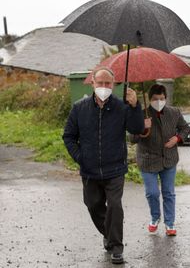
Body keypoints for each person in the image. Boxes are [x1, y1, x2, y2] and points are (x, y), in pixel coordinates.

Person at [63, 67, 144, 264]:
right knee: (93, 205)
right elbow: (69, 136)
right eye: (100, 83)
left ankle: (117, 246)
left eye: (108, 83)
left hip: (115, 168)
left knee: (115, 206)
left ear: (114, 85)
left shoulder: (122, 107)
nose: (104, 87)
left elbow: (137, 129)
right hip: (89, 169)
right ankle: (108, 233)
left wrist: (135, 107)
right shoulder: (79, 108)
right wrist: (80, 157)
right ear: (93, 83)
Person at [129, 84, 189, 236]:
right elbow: (132, 138)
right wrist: (142, 128)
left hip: (169, 159)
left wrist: (177, 138)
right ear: (150, 100)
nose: (159, 102)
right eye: (155, 99)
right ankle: (155, 217)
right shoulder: (141, 114)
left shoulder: (174, 112)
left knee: (168, 192)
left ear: (166, 98)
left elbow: (185, 128)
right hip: (147, 160)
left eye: (162, 99)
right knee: (153, 193)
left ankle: (170, 223)